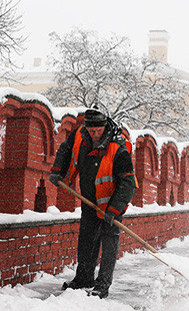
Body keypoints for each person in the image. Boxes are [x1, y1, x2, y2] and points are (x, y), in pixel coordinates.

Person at [48, 109, 136, 299]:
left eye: (99, 130)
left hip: (112, 204)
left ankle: (102, 285)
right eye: (91, 130)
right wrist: (57, 171)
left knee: (109, 244)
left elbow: (128, 182)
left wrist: (114, 209)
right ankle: (84, 279)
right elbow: (65, 149)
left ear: (105, 127)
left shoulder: (117, 147)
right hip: (90, 201)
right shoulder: (81, 135)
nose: (95, 134)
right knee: (87, 241)